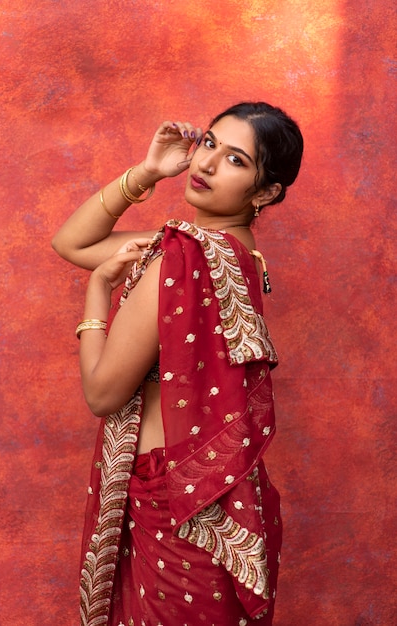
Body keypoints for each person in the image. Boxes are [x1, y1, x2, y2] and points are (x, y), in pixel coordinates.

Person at [52, 101, 303, 626]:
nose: (207, 165)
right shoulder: (239, 254)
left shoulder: (182, 258)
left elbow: (102, 394)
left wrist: (98, 292)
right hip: (214, 499)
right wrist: (147, 172)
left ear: (266, 192)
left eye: (236, 160)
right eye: (209, 144)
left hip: (170, 508)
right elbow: (72, 242)